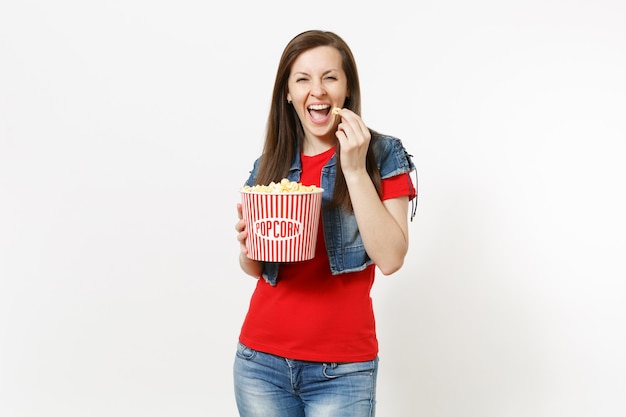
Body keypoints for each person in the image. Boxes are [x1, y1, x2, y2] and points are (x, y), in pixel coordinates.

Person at [233, 29, 417, 417]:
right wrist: (249, 245)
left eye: (330, 77)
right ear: (288, 93)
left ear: (347, 89)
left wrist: (352, 167)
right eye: (303, 79)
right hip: (260, 362)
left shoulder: (382, 154)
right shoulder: (269, 163)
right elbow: (255, 269)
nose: (317, 90)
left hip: (343, 370)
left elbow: (391, 257)